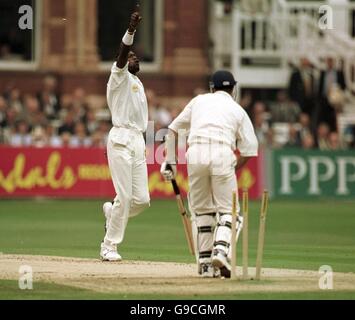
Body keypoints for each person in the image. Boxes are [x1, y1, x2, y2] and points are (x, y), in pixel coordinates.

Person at [161, 70, 258, 278]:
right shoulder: (237, 109)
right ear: (233, 89)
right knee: (229, 212)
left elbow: (172, 129)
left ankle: (205, 264)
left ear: (212, 88)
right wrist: (230, 168)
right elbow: (250, 150)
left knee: (202, 211)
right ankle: (221, 251)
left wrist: (170, 161)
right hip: (223, 152)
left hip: (195, 153)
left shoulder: (199, 101)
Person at [100, 5, 150, 262]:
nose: (135, 58)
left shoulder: (138, 83)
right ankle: (109, 245)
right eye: (132, 57)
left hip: (137, 141)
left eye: (136, 56)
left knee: (141, 200)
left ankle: (113, 214)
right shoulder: (117, 77)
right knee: (125, 196)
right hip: (120, 138)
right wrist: (130, 31)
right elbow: (121, 56)